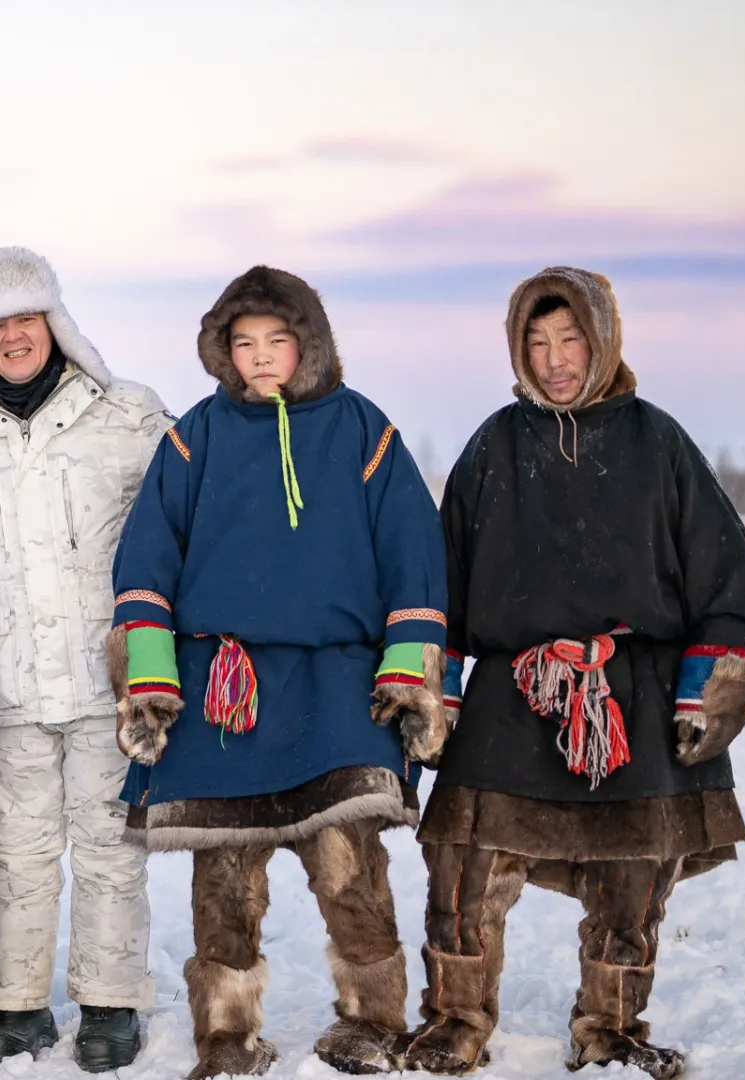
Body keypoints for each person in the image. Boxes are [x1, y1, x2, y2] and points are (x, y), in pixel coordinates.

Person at [405, 267, 745, 1080]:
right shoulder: (495, 444)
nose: (555, 359)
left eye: (571, 339)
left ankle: (610, 1027)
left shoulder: (657, 440)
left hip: (632, 691)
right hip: (512, 687)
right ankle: (454, 1020)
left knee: (633, 881)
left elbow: (726, 584)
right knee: (463, 867)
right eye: (537, 343)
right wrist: (436, 693)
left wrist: (705, 692)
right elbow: (442, 585)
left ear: (602, 341)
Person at [109, 266, 450, 1077]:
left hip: (336, 682)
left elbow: (414, 551)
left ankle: (372, 1019)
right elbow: (147, 555)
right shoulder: (196, 435)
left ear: (310, 344)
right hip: (228, 682)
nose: (261, 358)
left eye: (277, 342)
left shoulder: (363, 428)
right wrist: (151, 677)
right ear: (224, 352)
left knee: (346, 860)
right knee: (225, 874)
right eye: (244, 344)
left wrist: (408, 671)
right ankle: (225, 1035)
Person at [0, 246, 170, 1071]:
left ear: (54, 324)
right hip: (8, 682)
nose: (13, 337)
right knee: (15, 849)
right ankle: (17, 1005)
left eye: (26, 319)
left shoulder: (127, 417)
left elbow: (180, 527)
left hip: (109, 680)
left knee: (110, 846)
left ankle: (109, 1002)